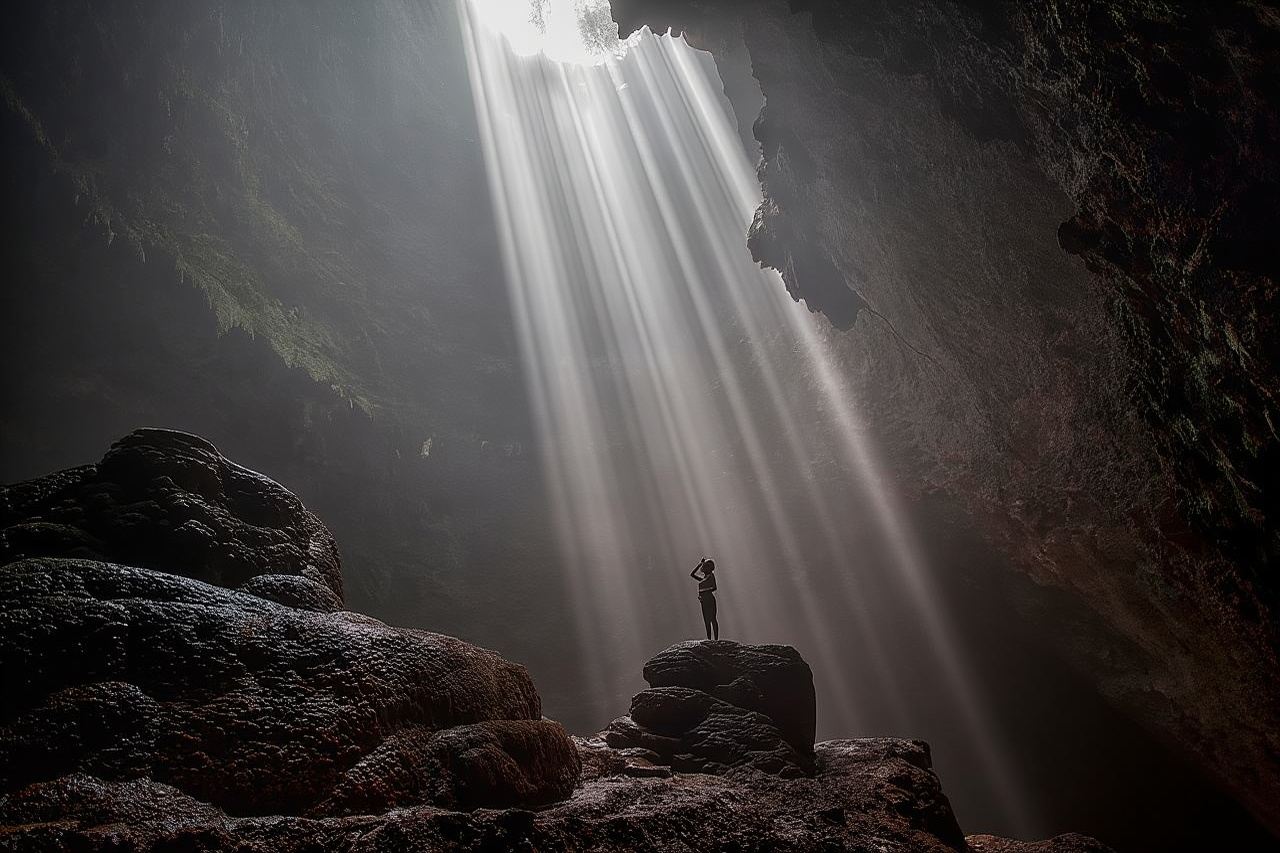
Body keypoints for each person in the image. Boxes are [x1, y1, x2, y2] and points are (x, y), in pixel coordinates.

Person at [690, 556, 719, 640]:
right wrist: (700, 564)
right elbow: (692, 574)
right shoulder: (704, 578)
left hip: (709, 599)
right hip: (703, 600)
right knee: (706, 620)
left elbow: (714, 587)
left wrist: (704, 592)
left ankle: (716, 639)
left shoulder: (711, 576)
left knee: (712, 619)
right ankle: (709, 639)